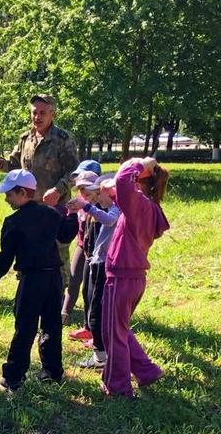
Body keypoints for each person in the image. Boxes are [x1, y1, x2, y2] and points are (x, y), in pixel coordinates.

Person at [0, 170, 78, 392]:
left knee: (24, 327)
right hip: (54, 278)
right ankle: (52, 372)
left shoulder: (13, 222)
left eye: (9, 194)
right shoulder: (51, 213)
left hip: (32, 279)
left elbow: (6, 256)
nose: (6, 199)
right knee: (52, 325)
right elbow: (65, 235)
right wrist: (72, 215)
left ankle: (13, 377)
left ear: (22, 193)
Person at [0, 94, 79, 287]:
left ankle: (58, 295)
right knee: (27, 253)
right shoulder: (26, 138)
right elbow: (14, 164)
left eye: (42, 113)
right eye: (34, 112)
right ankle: (27, 289)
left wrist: (58, 189)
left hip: (53, 211)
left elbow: (75, 172)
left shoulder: (63, 139)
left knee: (56, 255)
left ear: (52, 114)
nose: (37, 117)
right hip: (28, 211)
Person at [101, 157, 170, 398]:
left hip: (122, 277)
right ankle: (146, 371)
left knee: (114, 334)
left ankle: (118, 387)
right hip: (132, 277)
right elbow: (120, 190)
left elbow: (122, 180)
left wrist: (141, 162)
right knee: (117, 329)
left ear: (139, 181)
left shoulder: (139, 205)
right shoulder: (149, 207)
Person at [69, 176, 120, 370]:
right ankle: (100, 356)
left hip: (104, 264)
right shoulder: (104, 208)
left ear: (111, 194)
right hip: (96, 261)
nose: (97, 198)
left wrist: (87, 206)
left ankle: (102, 359)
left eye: (99, 193)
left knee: (97, 313)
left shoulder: (115, 209)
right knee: (92, 308)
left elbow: (109, 220)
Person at [62, 159, 102, 323]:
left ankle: (91, 321)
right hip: (82, 243)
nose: (79, 183)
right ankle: (65, 312)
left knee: (92, 286)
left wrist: (85, 206)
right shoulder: (80, 196)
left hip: (97, 248)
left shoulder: (101, 201)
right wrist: (71, 211)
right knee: (73, 278)